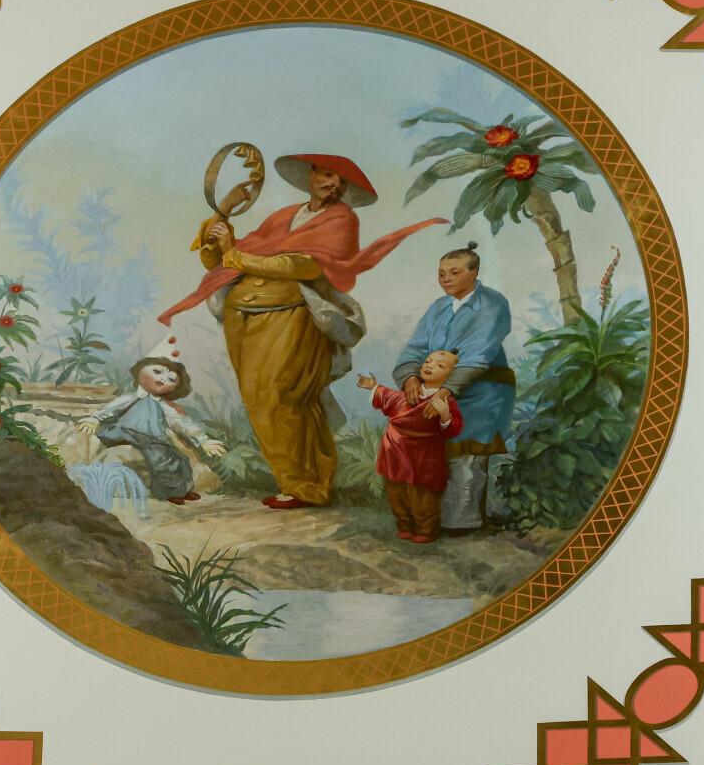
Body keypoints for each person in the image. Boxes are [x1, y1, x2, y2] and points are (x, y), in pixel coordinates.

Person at [159, 154, 443, 509]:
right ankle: (294, 483)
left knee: (285, 396)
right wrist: (224, 214)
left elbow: (304, 266)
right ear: (312, 175)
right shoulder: (283, 216)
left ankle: (308, 486)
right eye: (327, 175)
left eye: (340, 181)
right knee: (259, 400)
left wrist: (236, 255)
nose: (333, 184)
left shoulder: (341, 219)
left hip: (292, 317)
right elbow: (219, 259)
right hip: (244, 318)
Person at [392, 242, 514, 532]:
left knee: (466, 457)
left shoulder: (492, 304)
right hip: (436, 391)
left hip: (482, 391)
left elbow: (478, 354)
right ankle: (430, 518)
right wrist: (410, 377)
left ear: (474, 272)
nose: (446, 279)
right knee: (432, 454)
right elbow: (416, 347)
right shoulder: (439, 307)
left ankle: (463, 523)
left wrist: (446, 391)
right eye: (441, 273)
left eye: (454, 272)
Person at [77, 354, 226, 504]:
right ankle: (169, 493)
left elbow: (183, 424)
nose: (163, 378)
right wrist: (94, 419)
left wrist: (203, 440)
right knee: (161, 460)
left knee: (180, 458)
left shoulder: (164, 406)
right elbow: (111, 409)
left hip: (154, 438)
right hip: (128, 433)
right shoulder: (131, 398)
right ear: (140, 371)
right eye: (157, 371)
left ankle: (183, 490)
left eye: (171, 380)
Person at [357, 351, 465, 543]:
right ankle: (405, 524)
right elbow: (389, 397)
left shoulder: (446, 401)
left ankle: (425, 530)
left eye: (440, 365)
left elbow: (453, 430)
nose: (430, 366)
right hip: (395, 452)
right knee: (397, 493)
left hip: (424, 456)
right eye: (428, 361)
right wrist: (373, 387)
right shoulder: (409, 392)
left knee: (423, 496)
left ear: (452, 376)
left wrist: (444, 414)